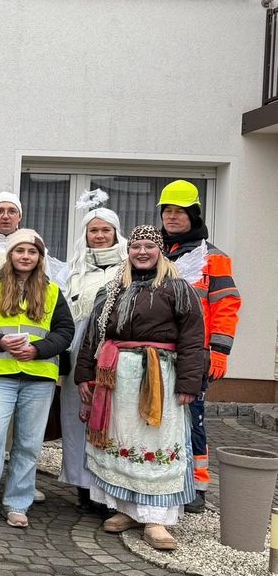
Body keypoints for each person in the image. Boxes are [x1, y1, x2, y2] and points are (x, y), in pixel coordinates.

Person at [75, 226, 205, 550]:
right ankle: (129, 510)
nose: (142, 252)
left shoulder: (178, 289)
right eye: (136, 247)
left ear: (160, 251)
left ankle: (157, 518)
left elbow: (192, 339)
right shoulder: (113, 290)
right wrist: (85, 377)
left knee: (155, 440)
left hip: (159, 377)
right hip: (118, 378)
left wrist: (190, 383)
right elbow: (94, 336)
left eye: (149, 246)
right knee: (123, 440)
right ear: (128, 251)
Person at [0, 229, 73, 529]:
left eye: (32, 252)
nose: (25, 256)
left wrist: (38, 350)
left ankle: (17, 504)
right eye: (20, 251)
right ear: (10, 255)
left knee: (29, 444)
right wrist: (0, 342)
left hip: (39, 375)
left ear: (39, 257)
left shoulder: (52, 291)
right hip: (0, 374)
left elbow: (65, 332)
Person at [158, 180, 241, 513]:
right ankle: (165, 477)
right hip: (157, 350)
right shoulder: (153, 252)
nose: (173, 218)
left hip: (194, 353)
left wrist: (219, 351)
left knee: (193, 417)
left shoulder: (213, 257)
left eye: (179, 212)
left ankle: (196, 485)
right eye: (167, 211)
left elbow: (227, 304)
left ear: (193, 215)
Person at [58, 190, 127, 514]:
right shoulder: (73, 271)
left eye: (105, 230)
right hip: (77, 354)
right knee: (78, 417)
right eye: (93, 231)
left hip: (115, 354)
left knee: (111, 419)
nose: (99, 236)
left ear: (115, 233)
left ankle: (109, 486)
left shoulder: (128, 268)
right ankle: (83, 485)